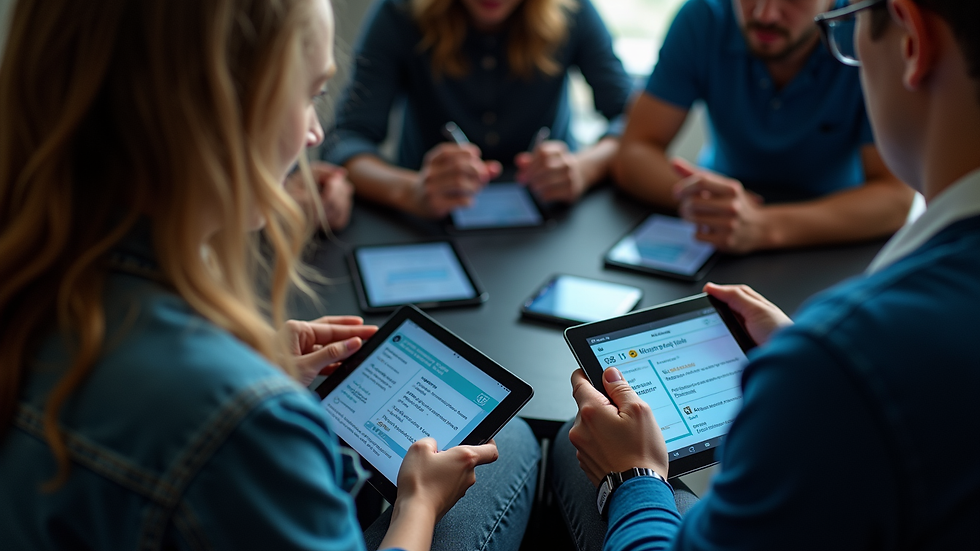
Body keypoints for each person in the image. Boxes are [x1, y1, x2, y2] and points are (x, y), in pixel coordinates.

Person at [0, 1, 539, 550]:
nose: (313, 134)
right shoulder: (245, 421)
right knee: (512, 442)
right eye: (311, 94)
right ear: (217, 107)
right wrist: (418, 505)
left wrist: (250, 363)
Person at [553, 0, 980, 548]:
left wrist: (633, 477)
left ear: (912, 41)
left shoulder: (849, 356)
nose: (766, 10)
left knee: (579, 451)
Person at [613, 0, 916, 254]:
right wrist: (709, 205)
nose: (765, 15)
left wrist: (765, 226)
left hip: (832, 233)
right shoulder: (704, 16)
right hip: (720, 226)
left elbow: (895, 197)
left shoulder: (866, 32)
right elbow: (635, 151)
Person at [321, 0, 634, 219]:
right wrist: (410, 191)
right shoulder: (399, 13)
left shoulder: (574, 9)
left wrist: (584, 169)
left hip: (555, 220)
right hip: (428, 224)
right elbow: (347, 139)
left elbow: (633, 120)